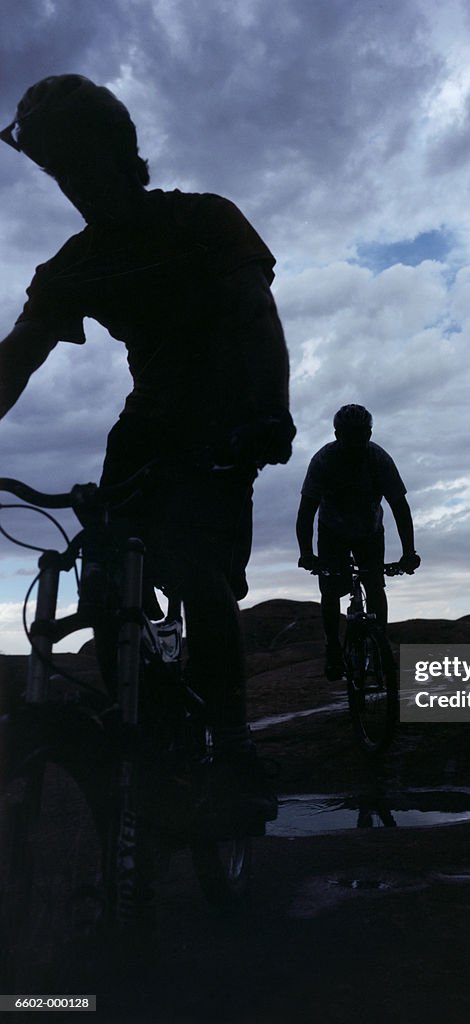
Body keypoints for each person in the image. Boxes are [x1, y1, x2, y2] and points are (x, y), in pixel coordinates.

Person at [0, 75, 295, 819]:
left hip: (226, 423)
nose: (72, 180)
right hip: (143, 432)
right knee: (101, 582)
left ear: (122, 152)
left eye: (80, 159)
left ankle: (233, 751)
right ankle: (153, 732)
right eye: (57, 168)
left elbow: (259, 317)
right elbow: (19, 355)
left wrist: (270, 416)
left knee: (202, 579)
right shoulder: (73, 265)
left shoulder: (206, 220)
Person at [296, 404, 420, 678]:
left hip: (369, 532)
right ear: (337, 434)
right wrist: (306, 553)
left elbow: (400, 507)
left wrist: (409, 551)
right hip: (333, 532)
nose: (354, 443)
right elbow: (306, 511)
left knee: (374, 586)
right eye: (348, 436)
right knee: (331, 590)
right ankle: (333, 648)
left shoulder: (380, 459)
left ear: (369, 433)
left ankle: (380, 643)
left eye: (360, 436)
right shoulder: (323, 461)